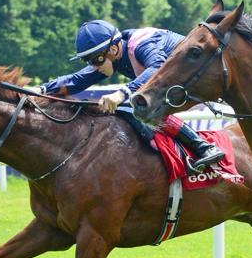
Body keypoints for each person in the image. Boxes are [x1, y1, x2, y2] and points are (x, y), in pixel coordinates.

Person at [42, 19, 224, 171]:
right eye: (87, 60)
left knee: (136, 105)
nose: (93, 65)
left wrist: (122, 93)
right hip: (176, 85)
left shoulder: (142, 43)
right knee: (137, 107)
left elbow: (156, 67)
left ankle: (203, 147)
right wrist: (42, 91)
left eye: (95, 59)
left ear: (113, 49)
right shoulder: (112, 55)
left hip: (204, 75)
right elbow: (76, 80)